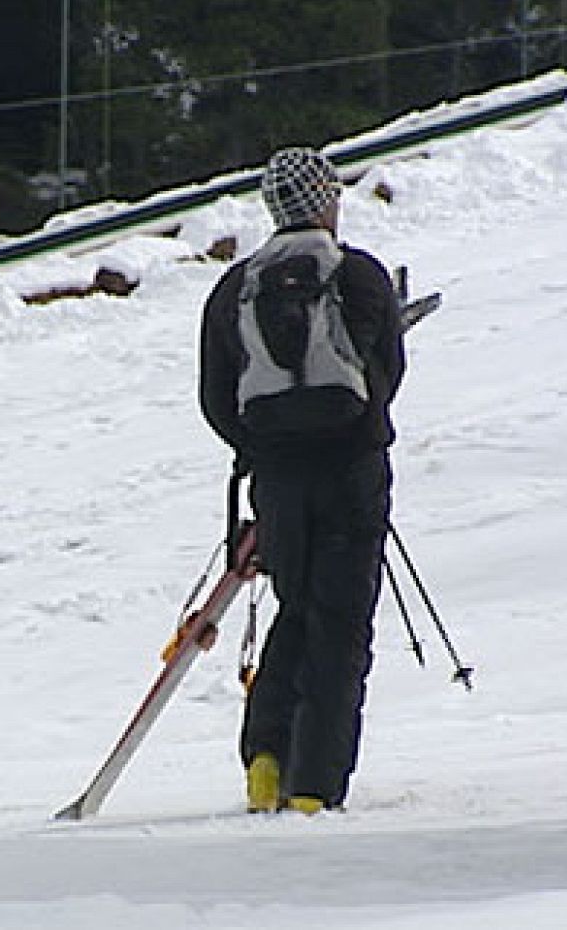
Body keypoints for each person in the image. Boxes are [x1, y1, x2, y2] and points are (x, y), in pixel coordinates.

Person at [197, 146, 405, 814]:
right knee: (340, 626)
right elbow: (388, 377)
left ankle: (266, 757)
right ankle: (315, 787)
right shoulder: (360, 275)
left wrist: (263, 448)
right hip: (351, 473)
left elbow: (216, 399)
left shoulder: (236, 289)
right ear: (325, 201)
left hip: (278, 481)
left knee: (296, 609)